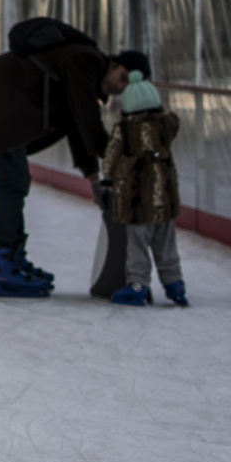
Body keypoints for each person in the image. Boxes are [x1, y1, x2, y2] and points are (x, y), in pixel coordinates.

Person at [0, 24, 139, 298]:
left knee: (15, 182)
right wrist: (117, 160)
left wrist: (94, 181)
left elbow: (77, 124)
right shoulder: (87, 60)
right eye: (122, 77)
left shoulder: (86, 67)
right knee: (13, 183)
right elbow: (86, 119)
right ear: (113, 64)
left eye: (125, 86)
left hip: (2, 101)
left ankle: (12, 258)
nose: (119, 86)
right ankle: (3, 262)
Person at [96, 70, 188, 307]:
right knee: (166, 244)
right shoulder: (166, 126)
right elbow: (172, 120)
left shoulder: (124, 130)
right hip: (165, 201)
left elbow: (111, 160)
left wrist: (109, 179)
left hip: (136, 201)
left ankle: (138, 284)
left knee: (137, 245)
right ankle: (174, 283)